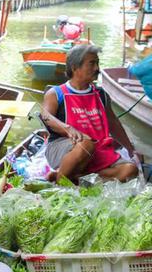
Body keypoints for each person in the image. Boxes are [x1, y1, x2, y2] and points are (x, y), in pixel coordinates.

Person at [41, 44, 139, 183]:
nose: (97, 68)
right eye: (92, 63)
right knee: (85, 145)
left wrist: (130, 148)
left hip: (98, 149)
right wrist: (67, 129)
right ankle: (59, 182)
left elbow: (113, 123)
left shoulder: (101, 94)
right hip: (65, 148)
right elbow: (46, 116)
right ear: (75, 67)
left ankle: (70, 177)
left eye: (97, 63)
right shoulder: (56, 93)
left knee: (130, 170)